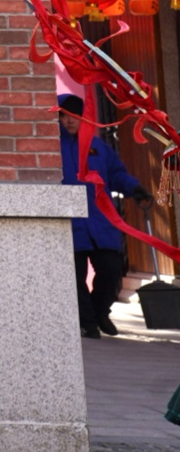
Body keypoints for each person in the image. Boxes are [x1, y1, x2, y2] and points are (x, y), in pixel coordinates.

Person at [60, 93, 154, 338]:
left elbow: (116, 174)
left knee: (111, 270)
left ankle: (100, 312)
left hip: (100, 220)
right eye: (64, 116)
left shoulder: (98, 148)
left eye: (76, 116)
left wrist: (135, 189)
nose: (70, 121)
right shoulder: (50, 148)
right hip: (67, 223)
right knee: (74, 278)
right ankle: (88, 324)